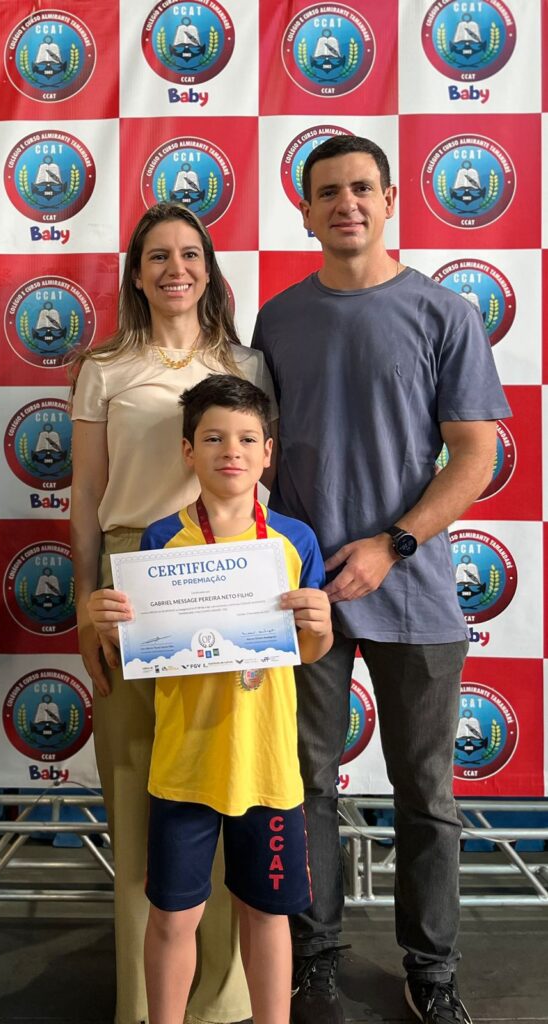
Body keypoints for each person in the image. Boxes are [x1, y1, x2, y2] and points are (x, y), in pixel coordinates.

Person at [250, 136, 510, 1024]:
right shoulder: (278, 320)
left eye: (362, 187)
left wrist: (391, 545)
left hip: (415, 590)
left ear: (391, 199)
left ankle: (431, 971)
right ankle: (313, 956)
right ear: (306, 211)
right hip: (302, 594)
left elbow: (475, 456)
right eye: (328, 191)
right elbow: (250, 452)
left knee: (426, 796)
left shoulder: (445, 313)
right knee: (305, 785)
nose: (346, 204)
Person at [70, 202, 276, 1024]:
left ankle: (221, 1003)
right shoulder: (104, 367)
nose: (175, 269)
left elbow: (261, 480)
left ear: (210, 268)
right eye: (157, 256)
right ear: (136, 273)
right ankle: (143, 1005)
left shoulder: (248, 363)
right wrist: (86, 600)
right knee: (138, 791)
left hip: (229, 572)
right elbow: (86, 493)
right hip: (132, 577)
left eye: (190, 253)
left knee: (225, 784)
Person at [88, 375, 333, 1024]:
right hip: (185, 765)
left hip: (266, 766)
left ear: (267, 452)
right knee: (173, 916)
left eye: (248, 439)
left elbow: (308, 652)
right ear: (187, 451)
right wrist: (111, 625)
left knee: (268, 913)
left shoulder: (295, 541)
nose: (232, 451)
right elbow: (146, 654)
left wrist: (321, 626)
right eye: (215, 438)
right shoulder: (158, 541)